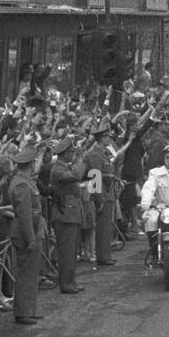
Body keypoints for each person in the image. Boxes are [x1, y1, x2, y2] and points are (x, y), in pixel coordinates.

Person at [8, 143, 45, 325]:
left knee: (31, 274)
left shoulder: (24, 181)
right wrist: (30, 238)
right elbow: (25, 214)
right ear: (30, 164)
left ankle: (29, 309)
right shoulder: (22, 184)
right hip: (26, 233)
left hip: (30, 230)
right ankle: (23, 311)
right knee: (26, 274)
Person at [49, 137, 87, 294]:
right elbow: (76, 175)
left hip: (70, 212)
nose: (73, 154)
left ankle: (70, 281)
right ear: (64, 154)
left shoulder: (64, 166)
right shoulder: (57, 169)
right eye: (71, 152)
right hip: (64, 213)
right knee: (66, 251)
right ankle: (66, 283)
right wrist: (79, 158)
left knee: (72, 250)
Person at [82, 120, 118, 266]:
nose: (110, 139)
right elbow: (95, 176)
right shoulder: (95, 154)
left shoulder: (101, 153)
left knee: (106, 226)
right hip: (102, 193)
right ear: (102, 138)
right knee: (103, 226)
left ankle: (105, 253)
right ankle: (103, 256)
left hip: (107, 192)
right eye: (108, 137)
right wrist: (100, 199)